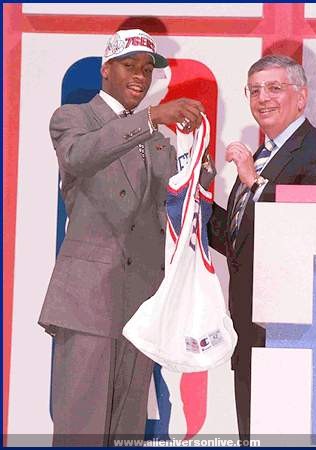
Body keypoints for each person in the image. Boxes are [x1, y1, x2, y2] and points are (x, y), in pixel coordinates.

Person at [38, 28, 213, 446]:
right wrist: (151, 118)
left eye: (147, 69)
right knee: (80, 428)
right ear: (106, 70)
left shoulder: (158, 142)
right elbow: (79, 156)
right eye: (129, 65)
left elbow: (174, 210)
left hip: (141, 305)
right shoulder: (73, 118)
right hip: (86, 301)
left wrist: (199, 169)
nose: (140, 75)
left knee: (128, 431)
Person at [208, 54, 316, 443]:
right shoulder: (260, 159)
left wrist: (254, 182)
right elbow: (240, 244)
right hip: (248, 330)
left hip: (296, 336)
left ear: (302, 97)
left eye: (274, 88)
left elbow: (315, 231)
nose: (262, 99)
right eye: (254, 90)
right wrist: (197, 202)